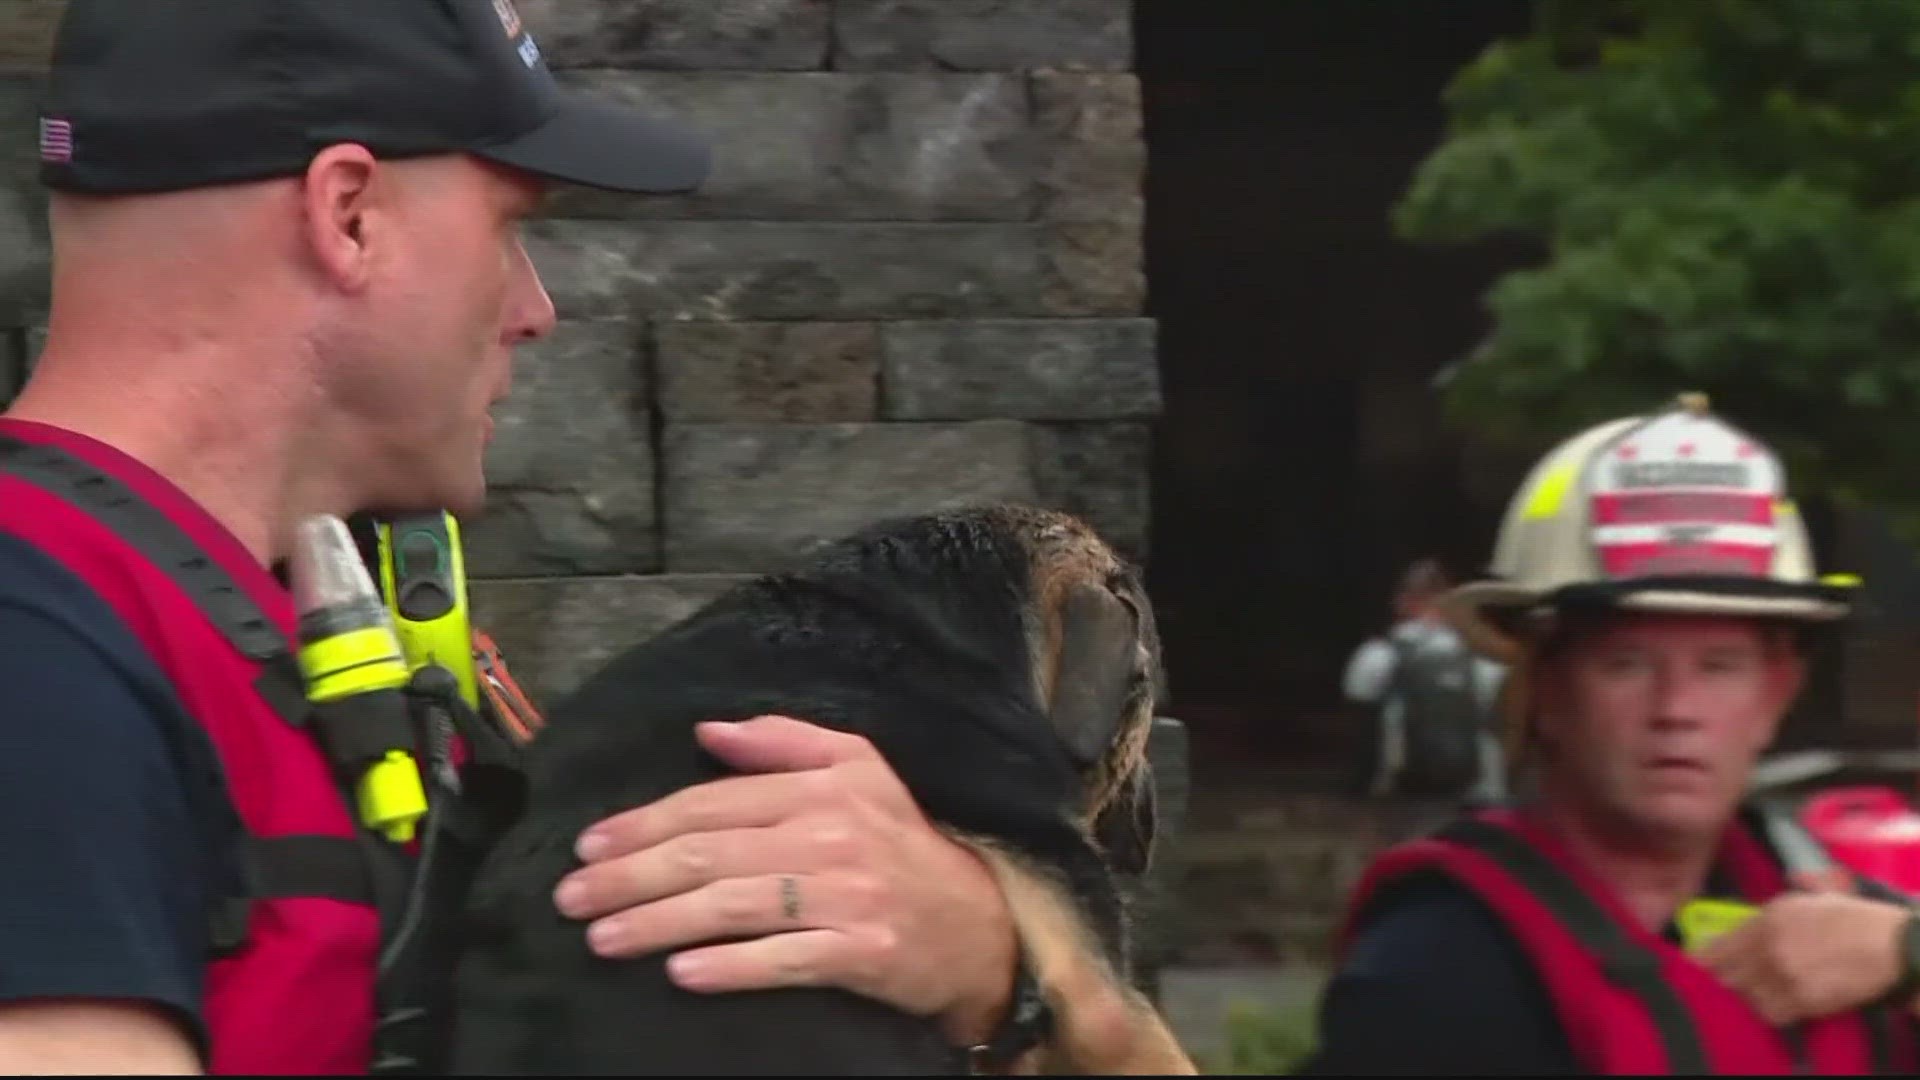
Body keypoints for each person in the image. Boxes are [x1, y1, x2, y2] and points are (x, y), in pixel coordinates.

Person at [0, 0, 1137, 1072]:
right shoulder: (39, 657)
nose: (535, 309)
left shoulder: (301, 611)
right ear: (347, 214)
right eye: (511, 229)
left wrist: (988, 954)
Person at [1300, 392, 1920, 1074]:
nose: (1676, 708)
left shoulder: (1850, 925)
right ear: (1545, 691)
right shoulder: (1437, 969)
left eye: (1720, 667)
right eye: (1625, 664)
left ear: (1776, 694)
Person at [1342, 558, 1507, 806]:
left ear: (1405, 601)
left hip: (1400, 798)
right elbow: (1503, 723)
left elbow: (1359, 705)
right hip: (1471, 799)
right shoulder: (1486, 659)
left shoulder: (1379, 653)